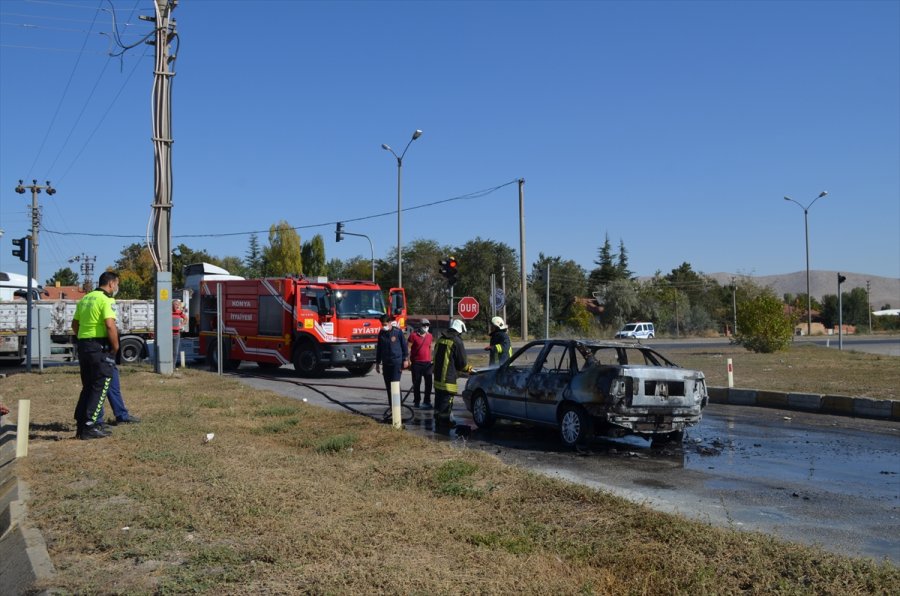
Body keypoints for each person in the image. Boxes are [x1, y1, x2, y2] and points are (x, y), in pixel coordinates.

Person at [72, 271, 120, 440]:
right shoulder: (106, 299)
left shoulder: (86, 298)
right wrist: (115, 347)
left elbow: (75, 324)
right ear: (111, 283)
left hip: (84, 345)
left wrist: (84, 338)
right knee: (100, 385)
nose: (116, 287)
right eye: (117, 284)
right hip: (98, 347)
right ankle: (89, 425)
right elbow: (110, 325)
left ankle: (81, 424)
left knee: (88, 386)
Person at [432, 318, 472, 425]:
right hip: (448, 380)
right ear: (459, 330)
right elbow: (462, 364)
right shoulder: (457, 341)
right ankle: (444, 424)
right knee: (447, 402)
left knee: (438, 400)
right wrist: (468, 369)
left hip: (437, 379)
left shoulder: (440, 339)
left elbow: (435, 357)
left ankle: (437, 419)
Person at [374, 314, 409, 409]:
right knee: (389, 386)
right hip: (386, 363)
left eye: (385, 324)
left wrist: (405, 359)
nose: (383, 326)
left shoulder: (397, 332)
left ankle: (398, 406)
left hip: (396, 362)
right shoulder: (381, 333)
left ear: (390, 323)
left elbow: (404, 346)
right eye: (382, 324)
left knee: (395, 384)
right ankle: (392, 406)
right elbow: (379, 349)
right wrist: (377, 363)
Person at [407, 318, 433, 409]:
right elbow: (408, 348)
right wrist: (408, 360)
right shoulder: (413, 336)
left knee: (429, 383)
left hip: (427, 363)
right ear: (420, 325)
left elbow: (430, 347)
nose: (426, 327)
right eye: (424, 325)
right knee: (416, 383)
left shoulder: (430, 336)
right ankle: (417, 401)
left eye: (427, 325)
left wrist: (431, 359)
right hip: (416, 363)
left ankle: (427, 401)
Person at [172, 299, 188, 367]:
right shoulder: (169, 312)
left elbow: (186, 318)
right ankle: (167, 364)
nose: (177, 306)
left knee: (175, 352)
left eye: (178, 305)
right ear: (172, 305)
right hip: (169, 335)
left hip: (177, 335)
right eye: (176, 304)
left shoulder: (179, 312)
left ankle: (173, 366)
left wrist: (182, 325)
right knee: (169, 351)